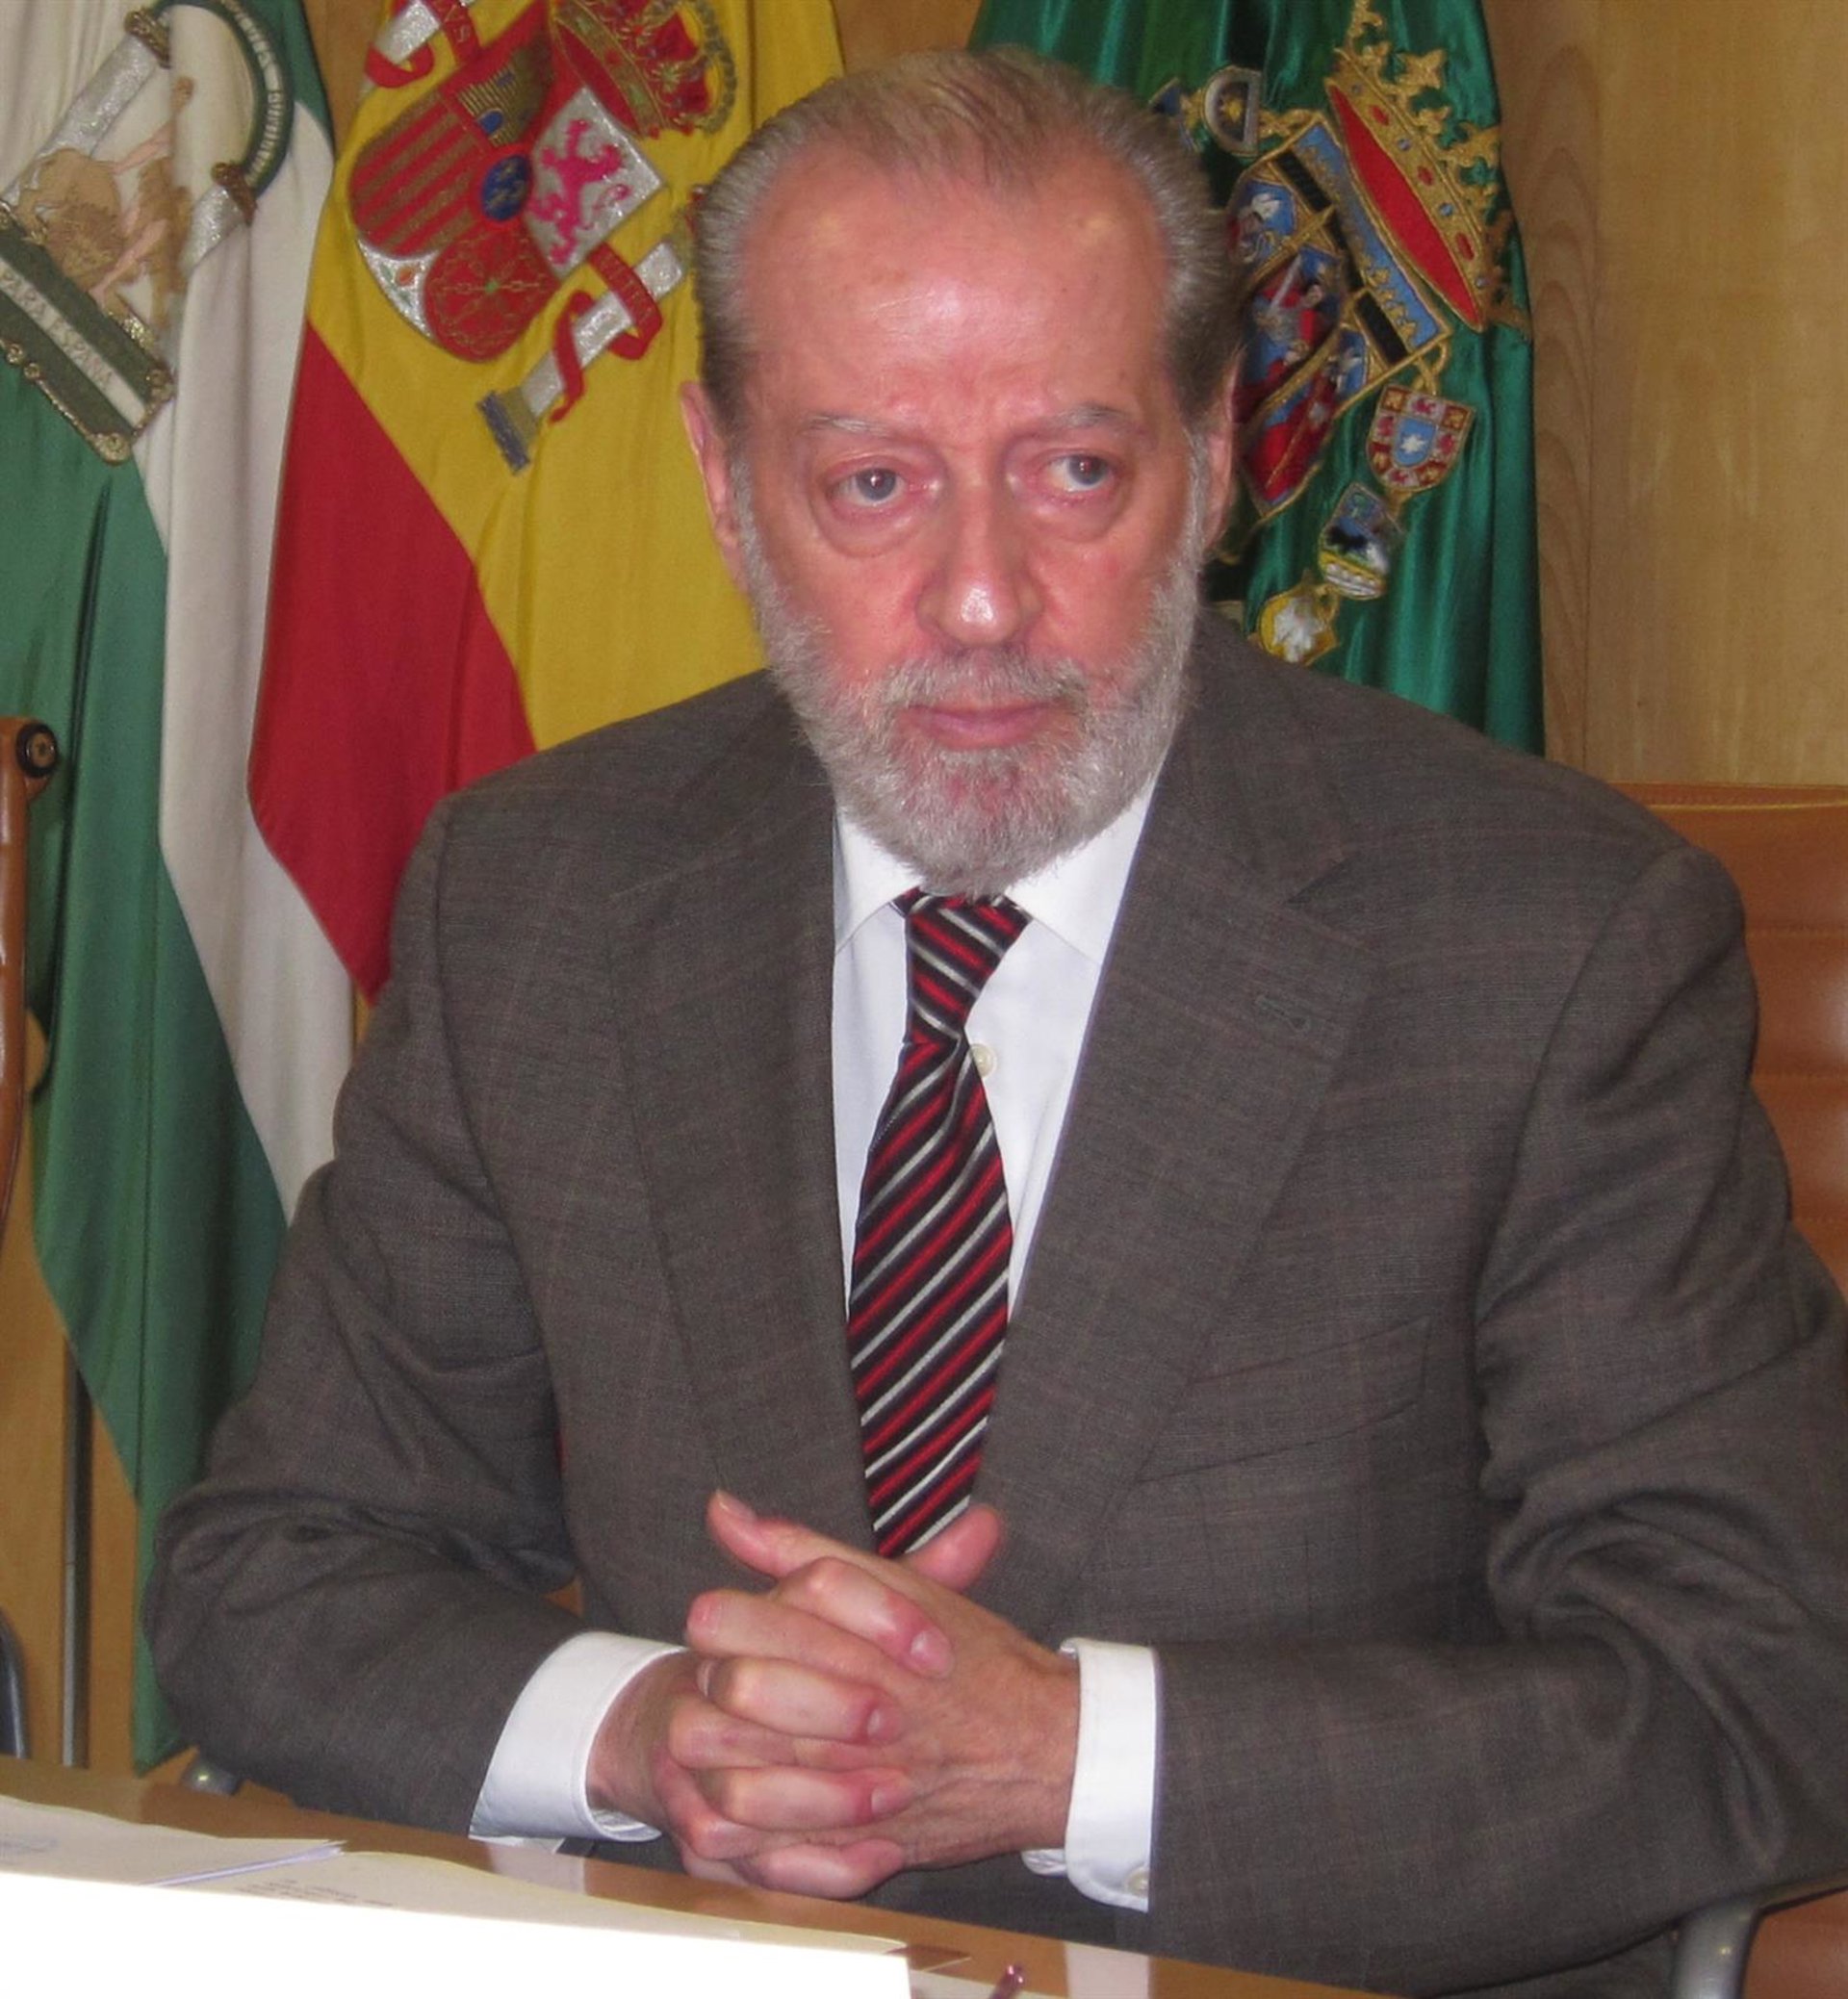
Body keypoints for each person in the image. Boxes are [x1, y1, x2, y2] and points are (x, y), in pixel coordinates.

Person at [147, 49, 1848, 1999]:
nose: (978, 599)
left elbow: (1763, 1685)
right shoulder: (542, 899)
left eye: (1074, 470)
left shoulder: (1548, 944)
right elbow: (273, 1572)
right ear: (724, 486)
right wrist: (651, 1731)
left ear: (1215, 455)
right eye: (873, 483)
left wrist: (1065, 1759)